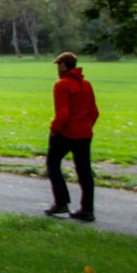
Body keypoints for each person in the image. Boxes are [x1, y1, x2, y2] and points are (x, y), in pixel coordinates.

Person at [45, 50, 99, 222]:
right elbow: (94, 111)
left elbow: (62, 114)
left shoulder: (61, 85)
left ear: (63, 65)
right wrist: (86, 125)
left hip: (66, 132)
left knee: (53, 164)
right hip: (84, 133)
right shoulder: (87, 85)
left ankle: (61, 202)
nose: (57, 69)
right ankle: (87, 209)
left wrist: (54, 129)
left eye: (58, 65)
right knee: (84, 171)